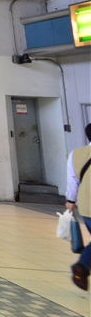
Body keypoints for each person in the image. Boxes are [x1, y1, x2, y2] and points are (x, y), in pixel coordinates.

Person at [65, 123, 91, 290]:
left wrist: (71, 201)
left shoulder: (76, 154)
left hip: (86, 204)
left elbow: (72, 181)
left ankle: (82, 266)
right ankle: (82, 265)